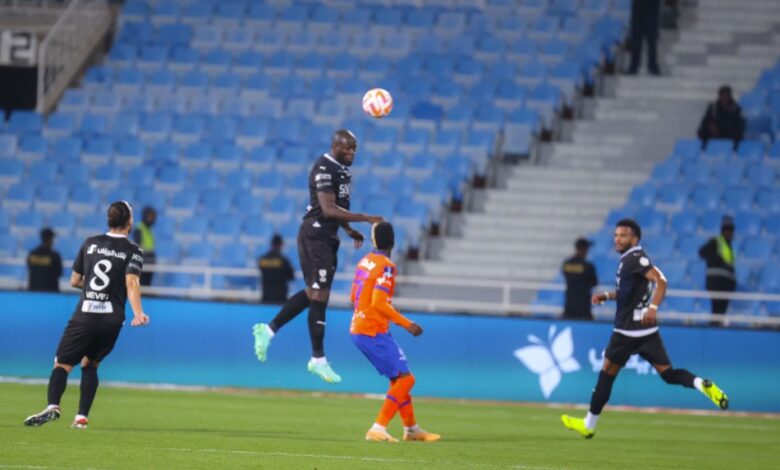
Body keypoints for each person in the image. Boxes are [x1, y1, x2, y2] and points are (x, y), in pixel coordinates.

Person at [561, 219, 728, 439]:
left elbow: (662, 281)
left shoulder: (634, 257)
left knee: (606, 375)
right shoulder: (631, 260)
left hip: (626, 332)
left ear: (635, 239)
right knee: (668, 374)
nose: (618, 239)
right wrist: (607, 296)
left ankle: (589, 424)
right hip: (647, 333)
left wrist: (654, 307)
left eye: (623, 235)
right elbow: (630, 294)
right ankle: (701, 384)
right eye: (616, 235)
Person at [252, 130, 383, 383]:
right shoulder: (324, 168)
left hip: (326, 237)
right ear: (335, 146)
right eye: (348, 149)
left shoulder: (342, 170)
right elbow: (328, 209)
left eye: (355, 149)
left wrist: (348, 229)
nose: (352, 153)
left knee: (314, 293)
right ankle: (318, 359)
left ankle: (268, 331)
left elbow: (338, 208)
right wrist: (365, 218)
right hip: (315, 237)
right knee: (320, 296)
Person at [23, 201, 150, 429]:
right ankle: (81, 417)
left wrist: (94, 290)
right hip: (112, 319)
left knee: (62, 364)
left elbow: (74, 280)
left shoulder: (90, 244)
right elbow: (132, 283)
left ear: (109, 220)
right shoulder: (133, 250)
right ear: (130, 222)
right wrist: (138, 313)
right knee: (90, 364)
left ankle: (53, 405)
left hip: (86, 315)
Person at [350, 222, 440, 443]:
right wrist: (406, 323)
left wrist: (383, 310)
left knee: (398, 379)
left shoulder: (365, 262)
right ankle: (378, 427)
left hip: (359, 327)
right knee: (407, 380)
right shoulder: (387, 266)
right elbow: (379, 303)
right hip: (373, 331)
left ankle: (411, 429)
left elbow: (355, 297)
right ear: (393, 242)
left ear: (373, 241)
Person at [699, 216, 736, 323]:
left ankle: (716, 326)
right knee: (717, 311)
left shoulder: (728, 246)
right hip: (716, 283)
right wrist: (716, 259)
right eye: (730, 231)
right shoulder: (716, 241)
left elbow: (729, 266)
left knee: (720, 312)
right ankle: (714, 327)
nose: (731, 234)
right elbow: (702, 252)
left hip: (725, 285)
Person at [562, 238, 598, 320]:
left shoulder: (566, 264)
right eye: (587, 248)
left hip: (569, 305)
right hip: (583, 307)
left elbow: (566, 275)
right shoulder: (588, 266)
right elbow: (594, 283)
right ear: (583, 249)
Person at [627, 0, 661, 76]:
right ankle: (634, 66)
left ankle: (652, 65)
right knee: (636, 39)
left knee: (652, 40)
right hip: (638, 8)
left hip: (652, 9)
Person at [258, 234, 295, 304]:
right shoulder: (284, 260)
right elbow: (291, 276)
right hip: (280, 299)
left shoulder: (262, 260)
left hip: (266, 298)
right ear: (280, 245)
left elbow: (261, 269)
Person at [27, 227, 63, 292]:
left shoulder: (32, 254)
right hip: (50, 292)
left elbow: (30, 269)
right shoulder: (54, 256)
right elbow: (59, 273)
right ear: (50, 240)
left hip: (33, 291)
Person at [132, 206, 156, 286]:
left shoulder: (149, 229)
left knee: (147, 283)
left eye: (153, 217)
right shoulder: (139, 227)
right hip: (143, 259)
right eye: (150, 216)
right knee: (141, 283)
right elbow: (137, 244)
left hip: (150, 259)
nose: (152, 219)